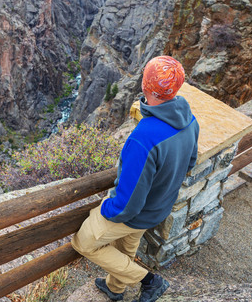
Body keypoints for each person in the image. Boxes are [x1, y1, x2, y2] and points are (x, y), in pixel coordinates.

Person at [71, 56, 200, 302]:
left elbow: (127, 204)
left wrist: (107, 208)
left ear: (145, 85)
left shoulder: (144, 137)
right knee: (126, 249)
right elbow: (189, 163)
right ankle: (115, 288)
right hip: (158, 208)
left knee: (84, 242)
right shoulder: (190, 121)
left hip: (136, 212)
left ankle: (150, 281)